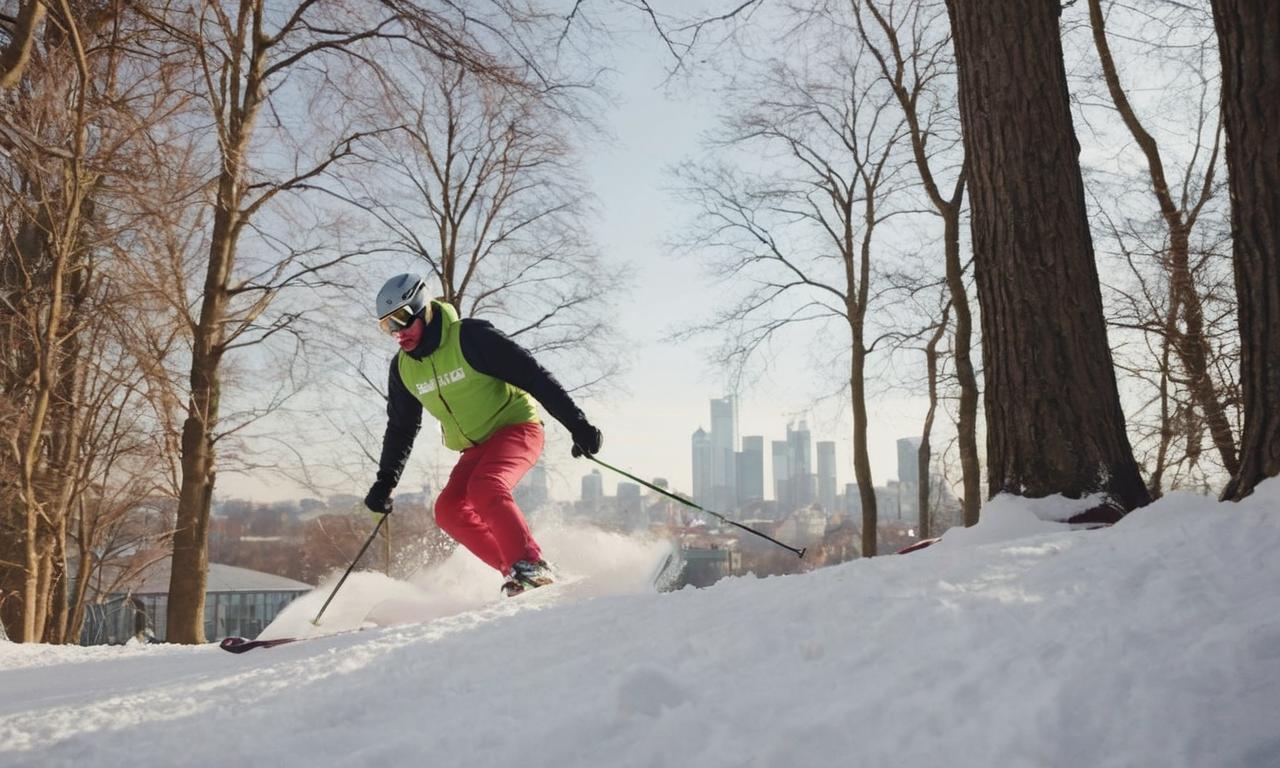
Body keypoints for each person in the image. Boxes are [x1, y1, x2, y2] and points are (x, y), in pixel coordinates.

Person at [365, 274, 603, 596]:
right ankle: (518, 573)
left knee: (485, 487)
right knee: (448, 509)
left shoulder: (470, 338)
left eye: (402, 319)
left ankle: (531, 565)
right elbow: (401, 427)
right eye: (387, 326)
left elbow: (533, 375)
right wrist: (385, 482)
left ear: (423, 308)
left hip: (517, 428)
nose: (398, 333)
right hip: (475, 447)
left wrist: (578, 425)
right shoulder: (404, 369)